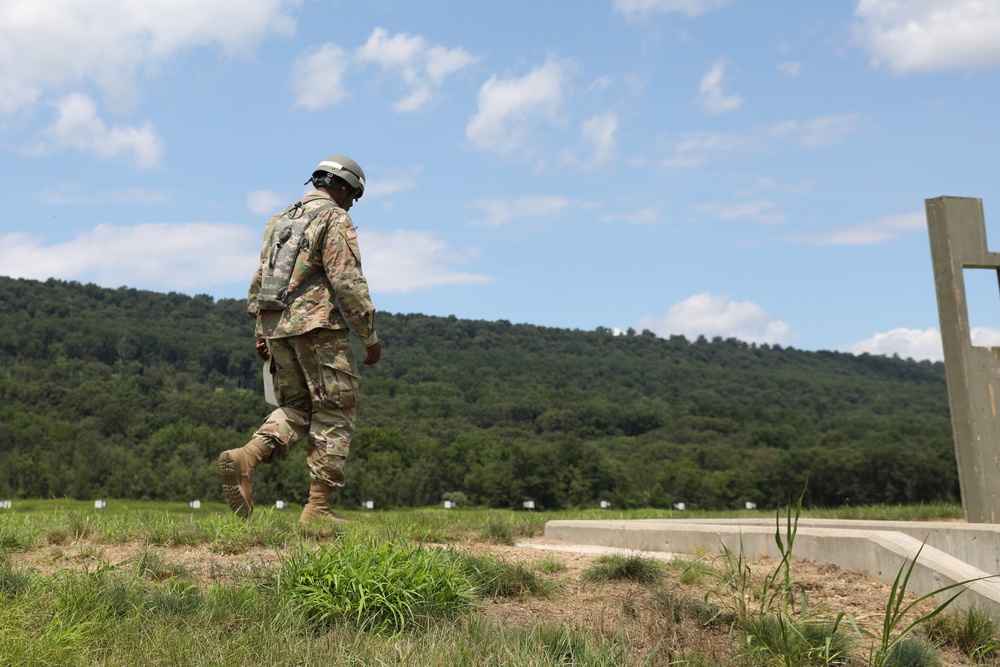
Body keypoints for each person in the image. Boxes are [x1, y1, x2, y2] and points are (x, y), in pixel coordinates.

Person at [219, 155, 381, 522]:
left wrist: (262, 329)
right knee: (335, 411)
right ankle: (319, 509)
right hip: (318, 328)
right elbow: (347, 280)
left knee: (299, 408)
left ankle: (247, 457)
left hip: (278, 329)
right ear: (342, 186)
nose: (351, 203)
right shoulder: (334, 218)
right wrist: (369, 336)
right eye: (353, 195)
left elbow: (260, 280)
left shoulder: (278, 220)